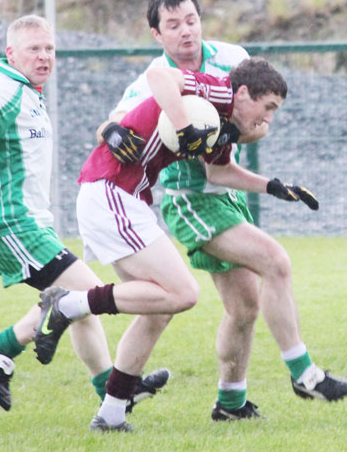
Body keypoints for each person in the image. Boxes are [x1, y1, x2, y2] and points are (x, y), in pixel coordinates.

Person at [103, 0, 347, 421]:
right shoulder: (152, 77)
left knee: (244, 307)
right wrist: (110, 131)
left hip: (227, 191)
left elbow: (261, 116)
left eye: (191, 20)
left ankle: (231, 404)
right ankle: (304, 374)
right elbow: (114, 121)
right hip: (190, 199)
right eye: (173, 25)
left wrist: (247, 140)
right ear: (157, 35)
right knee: (275, 261)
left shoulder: (231, 60)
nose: (186, 31)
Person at [36, 56, 321, 432]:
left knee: (157, 308)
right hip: (112, 190)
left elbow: (219, 171)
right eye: (267, 107)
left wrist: (272, 186)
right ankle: (67, 303)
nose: (267, 118)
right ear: (244, 93)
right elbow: (158, 75)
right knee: (184, 293)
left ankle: (110, 415)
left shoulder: (221, 127)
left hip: (125, 197)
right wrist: (184, 126)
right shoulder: (217, 89)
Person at [0, 14, 169, 414]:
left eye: (49, 49)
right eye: (33, 49)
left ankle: (110, 393)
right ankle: (0, 347)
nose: (44, 57)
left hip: (28, 223)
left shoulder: (29, 89)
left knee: (80, 306)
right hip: (7, 223)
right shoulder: (4, 88)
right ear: (11, 54)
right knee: (82, 297)